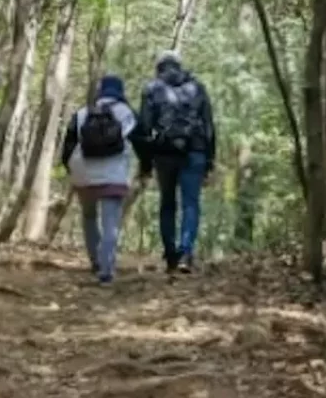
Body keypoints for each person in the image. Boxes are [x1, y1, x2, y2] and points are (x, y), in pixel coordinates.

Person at [60, 74, 150, 285]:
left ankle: (95, 262)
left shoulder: (82, 113)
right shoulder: (127, 113)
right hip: (113, 175)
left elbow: (68, 146)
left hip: (84, 174)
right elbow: (142, 143)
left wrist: (71, 169)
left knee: (89, 217)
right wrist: (145, 168)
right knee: (110, 223)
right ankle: (106, 270)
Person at [137, 50, 216, 274]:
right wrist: (210, 159)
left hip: (164, 153)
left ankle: (170, 255)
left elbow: (144, 128)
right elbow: (209, 126)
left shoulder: (152, 88)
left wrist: (145, 163)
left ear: (159, 67)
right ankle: (185, 253)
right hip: (195, 151)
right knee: (191, 203)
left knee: (167, 203)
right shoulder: (198, 88)